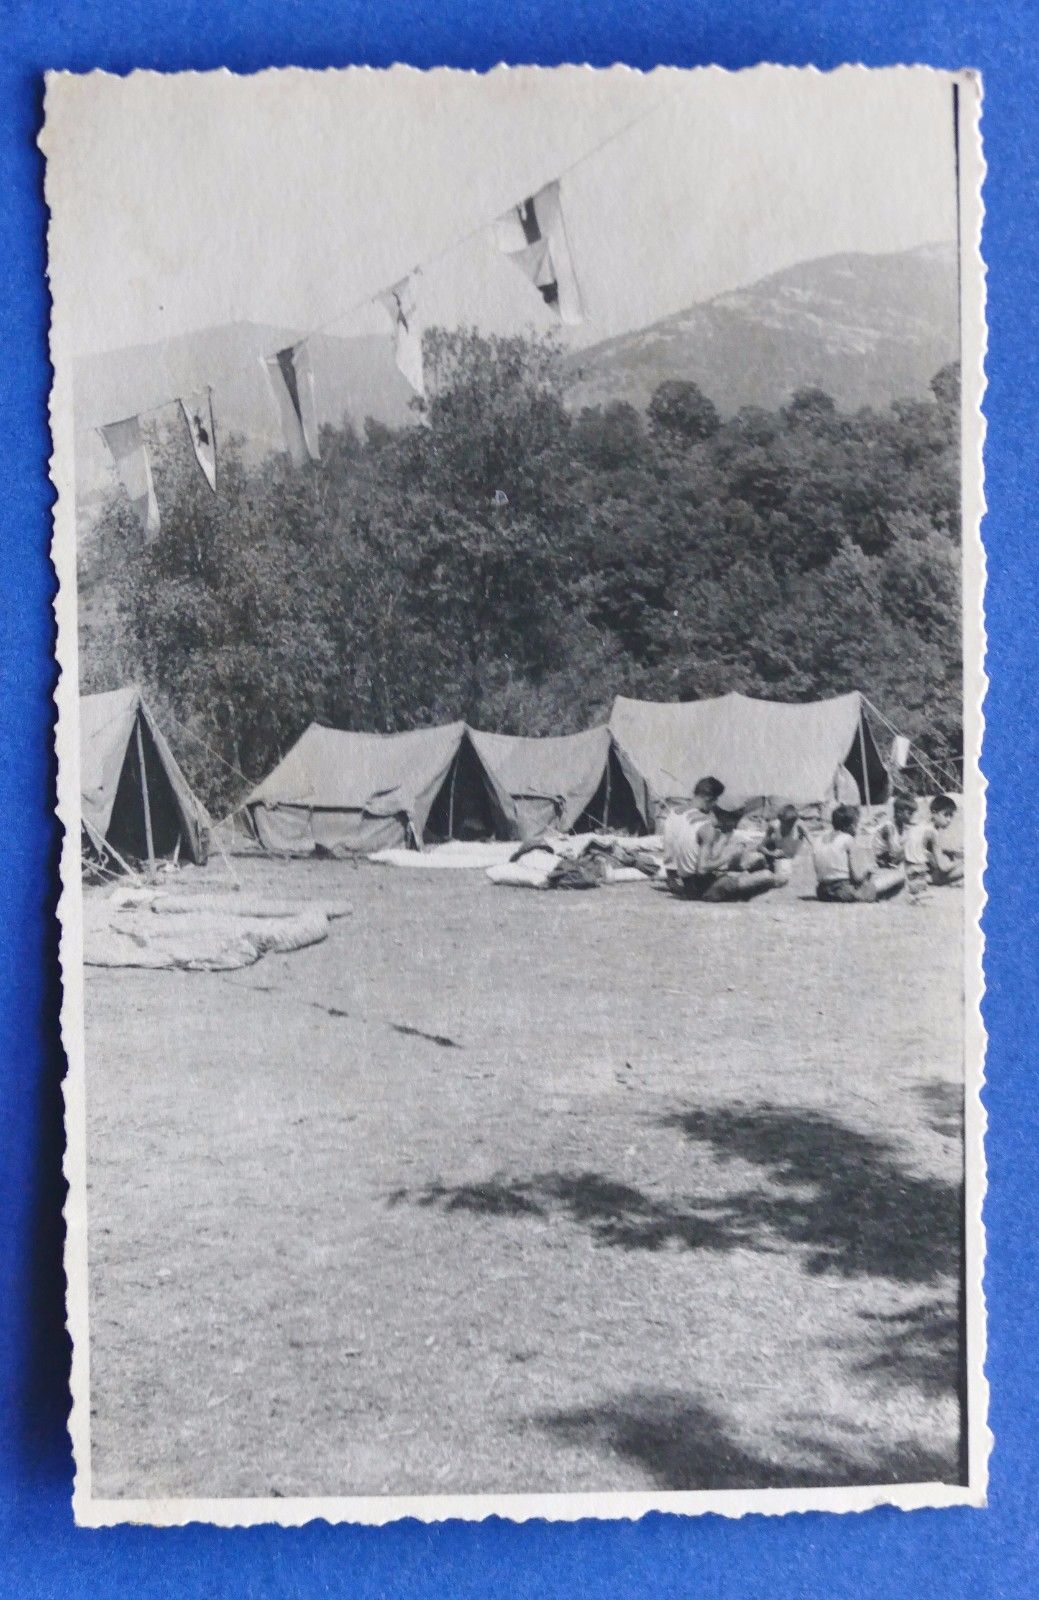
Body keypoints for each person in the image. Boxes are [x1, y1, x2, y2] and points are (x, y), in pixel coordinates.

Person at [673, 797, 781, 902]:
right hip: (707, 889)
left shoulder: (704, 828)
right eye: (735, 817)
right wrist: (727, 858)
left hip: (699, 884)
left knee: (756, 860)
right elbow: (702, 869)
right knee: (767, 875)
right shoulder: (708, 833)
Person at [813, 803, 904, 903]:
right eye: (856, 824)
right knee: (898, 876)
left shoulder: (818, 839)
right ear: (852, 825)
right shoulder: (848, 840)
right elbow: (857, 878)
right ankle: (876, 898)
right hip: (843, 891)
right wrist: (867, 871)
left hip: (822, 891)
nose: (856, 828)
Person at [661, 775, 725, 890]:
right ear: (709, 798)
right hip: (695, 881)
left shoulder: (673, 813)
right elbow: (703, 866)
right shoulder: (703, 822)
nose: (715, 804)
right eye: (715, 800)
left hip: (674, 877)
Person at [904, 794, 965, 893]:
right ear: (934, 813)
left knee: (948, 855)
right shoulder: (933, 833)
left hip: (908, 870)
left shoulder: (921, 825)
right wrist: (961, 861)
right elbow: (943, 868)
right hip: (920, 877)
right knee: (966, 867)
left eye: (951, 816)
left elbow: (926, 849)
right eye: (946, 815)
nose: (949, 820)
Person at [761, 803, 809, 885]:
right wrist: (772, 854)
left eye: (790, 824)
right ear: (780, 820)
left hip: (792, 857)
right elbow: (761, 846)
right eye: (784, 823)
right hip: (779, 857)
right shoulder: (774, 826)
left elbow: (813, 842)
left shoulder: (799, 825)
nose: (787, 826)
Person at [874, 796, 918, 871]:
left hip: (894, 859)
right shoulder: (888, 827)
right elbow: (894, 852)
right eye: (909, 813)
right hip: (883, 861)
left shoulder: (904, 826)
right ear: (899, 812)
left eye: (912, 813)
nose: (912, 816)